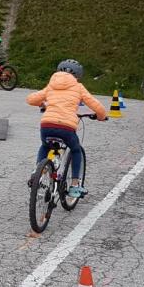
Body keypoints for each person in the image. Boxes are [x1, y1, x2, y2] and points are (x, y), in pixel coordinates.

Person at [25, 59, 108, 198]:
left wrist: (44, 104)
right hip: (66, 127)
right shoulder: (78, 87)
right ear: (77, 75)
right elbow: (96, 106)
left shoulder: (51, 85)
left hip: (47, 124)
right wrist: (101, 116)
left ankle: (37, 174)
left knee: (45, 146)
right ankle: (75, 185)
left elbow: (31, 99)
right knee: (76, 150)